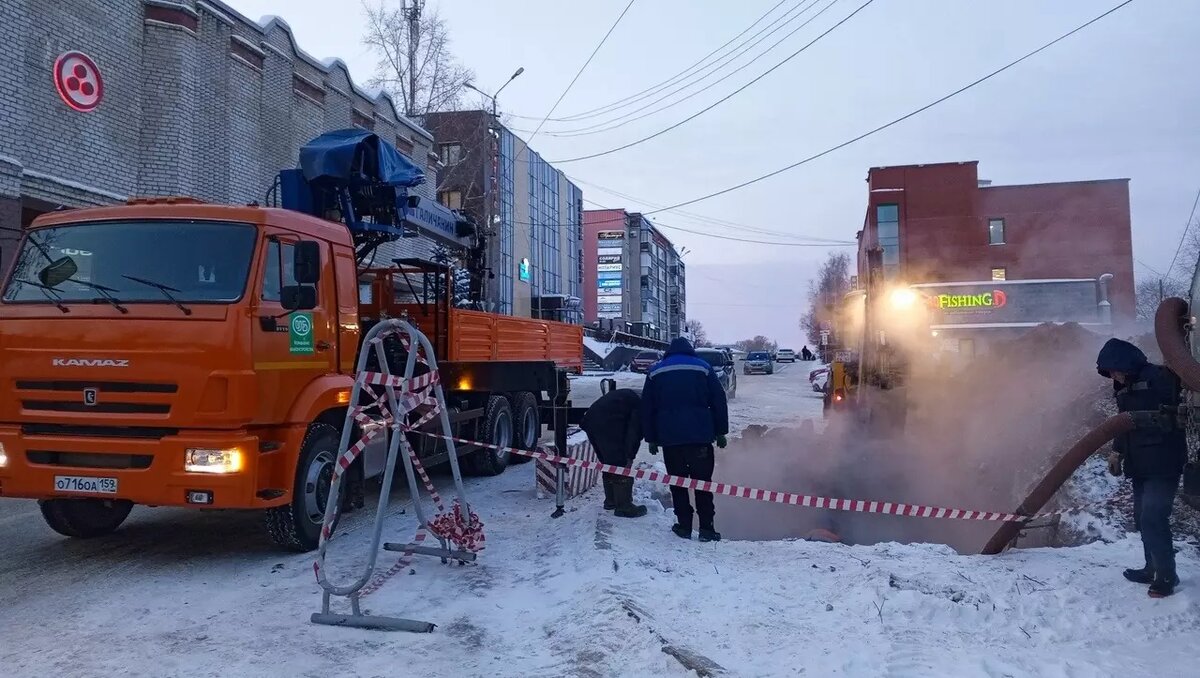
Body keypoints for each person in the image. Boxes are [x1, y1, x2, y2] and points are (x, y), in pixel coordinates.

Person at [1096, 338, 1187, 598]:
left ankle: (1167, 576)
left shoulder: (1162, 378)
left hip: (1164, 462)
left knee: (1153, 518)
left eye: (1114, 369)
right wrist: (1117, 452)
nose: (1113, 375)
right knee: (1141, 519)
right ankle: (1151, 568)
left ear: (1124, 362)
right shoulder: (1123, 389)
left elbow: (1180, 413)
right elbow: (1122, 425)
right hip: (1139, 464)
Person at [641, 336, 730, 542]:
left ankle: (684, 526)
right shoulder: (704, 368)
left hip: (671, 439)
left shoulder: (656, 371)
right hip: (701, 437)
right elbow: (719, 400)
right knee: (702, 484)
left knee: (678, 484)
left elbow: (647, 408)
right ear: (690, 350)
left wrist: (651, 438)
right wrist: (720, 432)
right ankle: (707, 529)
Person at [580, 387, 647, 518]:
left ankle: (611, 501)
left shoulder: (634, 396)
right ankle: (624, 506)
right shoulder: (642, 405)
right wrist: (630, 456)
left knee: (608, 463)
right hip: (607, 423)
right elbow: (634, 433)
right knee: (620, 462)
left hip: (590, 421)